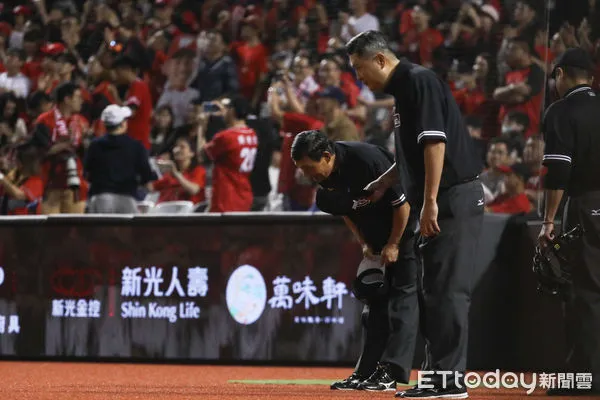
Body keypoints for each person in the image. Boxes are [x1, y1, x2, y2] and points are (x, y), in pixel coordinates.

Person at [346, 30, 484, 399]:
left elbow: (435, 143)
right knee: (433, 293)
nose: (360, 77)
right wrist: (383, 181)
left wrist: (430, 201)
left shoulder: (417, 81)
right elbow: (412, 154)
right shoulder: (404, 90)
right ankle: (438, 377)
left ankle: (448, 381)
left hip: (452, 197)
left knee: (447, 292)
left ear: (380, 59)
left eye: (360, 68)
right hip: (442, 197)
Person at [291, 130, 419, 392]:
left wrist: (394, 243)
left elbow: (402, 205)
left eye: (308, 167)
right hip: (376, 237)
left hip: (406, 229)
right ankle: (366, 371)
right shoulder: (324, 185)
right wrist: (365, 243)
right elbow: (346, 210)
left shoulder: (367, 160)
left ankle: (392, 372)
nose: (306, 175)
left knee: (402, 302)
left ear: (327, 156)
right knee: (373, 306)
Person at [538, 47, 600, 396]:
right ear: (590, 77)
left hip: (589, 204)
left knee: (585, 292)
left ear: (560, 74)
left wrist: (548, 221)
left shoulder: (563, 110)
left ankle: (585, 376)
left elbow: (559, 170)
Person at [84, 105, 155, 214]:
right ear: (122, 124)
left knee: (100, 231)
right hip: (126, 199)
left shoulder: (94, 146)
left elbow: (87, 174)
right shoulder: (136, 146)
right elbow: (146, 177)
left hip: (100, 199)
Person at [202, 95, 258, 213]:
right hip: (244, 197)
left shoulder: (226, 137)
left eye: (227, 109)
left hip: (226, 200)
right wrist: (227, 116)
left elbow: (202, 154)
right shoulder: (252, 134)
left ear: (232, 111)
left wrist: (201, 127)